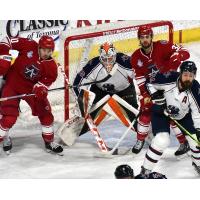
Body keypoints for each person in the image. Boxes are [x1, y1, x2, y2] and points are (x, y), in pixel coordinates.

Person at [130, 25, 190, 156]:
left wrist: (178, 56)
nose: (145, 40)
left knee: (171, 113)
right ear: (139, 39)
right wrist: (146, 94)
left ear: (151, 37)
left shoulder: (162, 45)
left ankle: (183, 142)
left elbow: (185, 51)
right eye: (142, 37)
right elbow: (140, 79)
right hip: (151, 88)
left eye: (147, 37)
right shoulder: (135, 57)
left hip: (169, 85)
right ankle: (140, 140)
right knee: (145, 112)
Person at [0, 35, 63, 155]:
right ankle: (4, 137)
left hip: (30, 90)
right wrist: (3, 54)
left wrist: (41, 91)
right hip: (12, 84)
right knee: (8, 117)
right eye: (44, 49)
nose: (46, 53)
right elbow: (7, 40)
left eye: (49, 51)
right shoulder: (29, 45)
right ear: (39, 47)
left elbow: (43, 85)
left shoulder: (51, 67)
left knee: (46, 114)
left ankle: (49, 142)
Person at [140, 61, 200, 176]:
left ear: (194, 76)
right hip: (161, 113)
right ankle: (145, 170)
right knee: (162, 140)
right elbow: (148, 83)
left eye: (191, 76)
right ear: (180, 73)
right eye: (185, 75)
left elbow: (197, 112)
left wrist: (198, 129)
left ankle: (198, 164)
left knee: (195, 140)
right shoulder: (167, 78)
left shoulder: (195, 88)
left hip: (183, 115)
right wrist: (154, 94)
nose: (188, 78)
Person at [72, 42, 139, 139]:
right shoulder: (93, 65)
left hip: (125, 90)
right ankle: (73, 133)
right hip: (100, 91)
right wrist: (82, 103)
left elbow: (141, 75)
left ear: (115, 55)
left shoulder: (124, 61)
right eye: (105, 59)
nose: (108, 62)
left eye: (110, 58)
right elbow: (78, 83)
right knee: (89, 115)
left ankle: (145, 135)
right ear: (100, 57)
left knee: (134, 116)